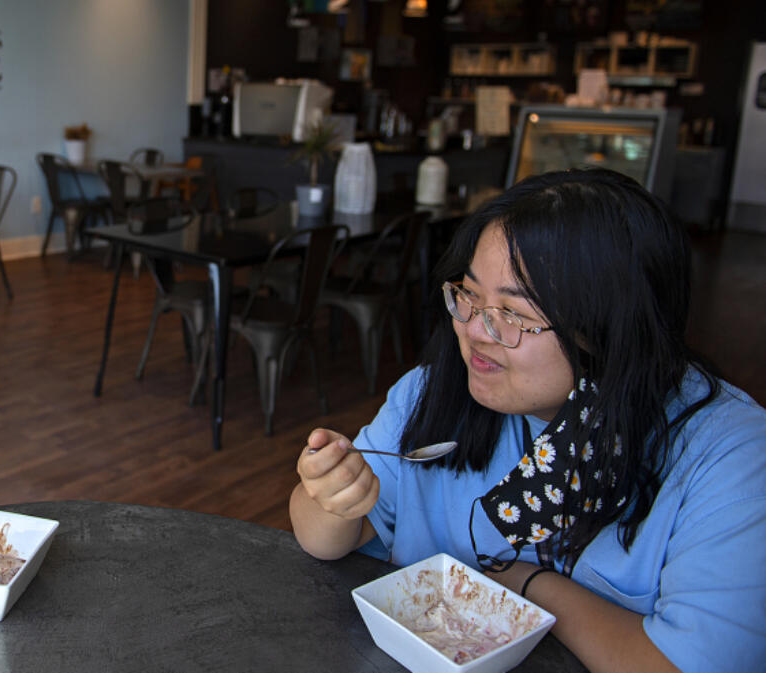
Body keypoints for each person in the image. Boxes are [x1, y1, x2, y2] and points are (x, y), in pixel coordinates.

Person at [290, 168, 766, 673]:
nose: (475, 330)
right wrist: (332, 499)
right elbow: (326, 537)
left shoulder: (731, 458)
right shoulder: (433, 393)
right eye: (469, 295)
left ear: (609, 328)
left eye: (514, 314)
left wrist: (529, 585)